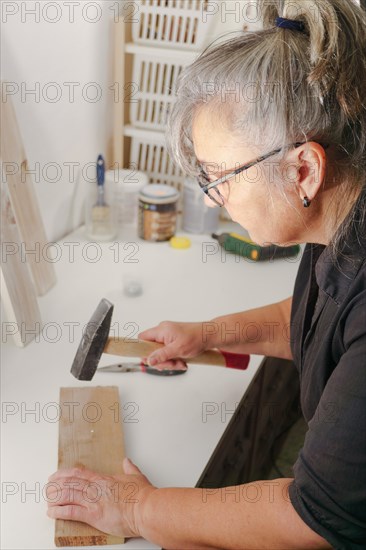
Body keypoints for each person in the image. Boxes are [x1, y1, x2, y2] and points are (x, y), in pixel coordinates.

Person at [47, 0, 366, 548]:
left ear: (304, 171)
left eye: (222, 176)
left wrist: (138, 508)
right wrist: (211, 334)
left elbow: (313, 516)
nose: (213, 196)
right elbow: (319, 318)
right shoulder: (339, 222)